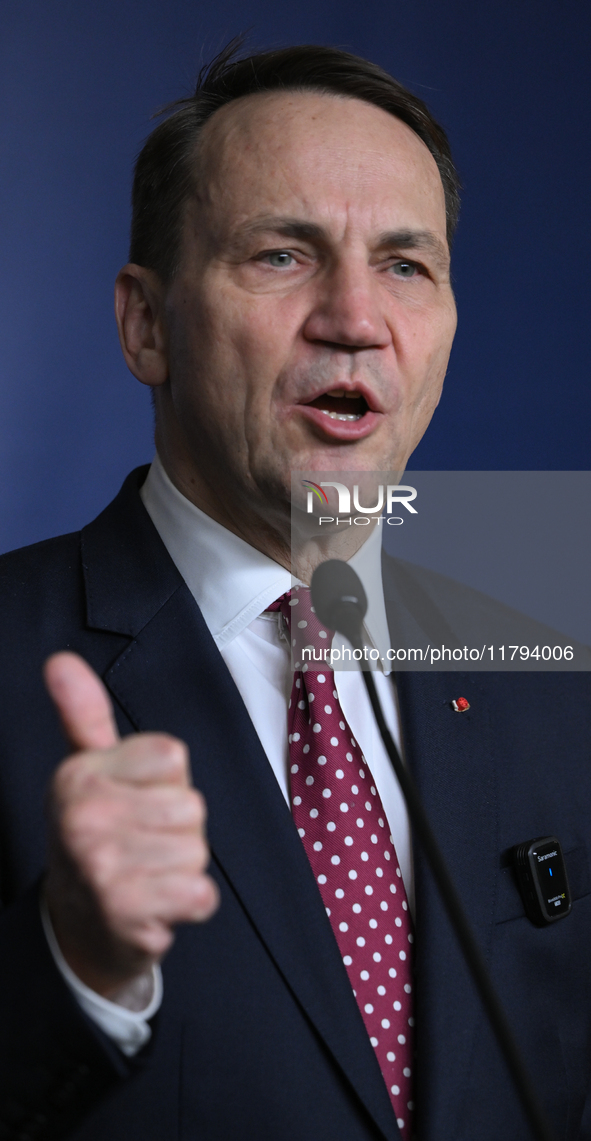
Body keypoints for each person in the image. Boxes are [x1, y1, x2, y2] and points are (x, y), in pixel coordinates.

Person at [1, 42, 590, 1141]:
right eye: (282, 255)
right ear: (146, 325)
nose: (356, 317)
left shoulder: (547, 660)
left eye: (407, 265)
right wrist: (75, 964)